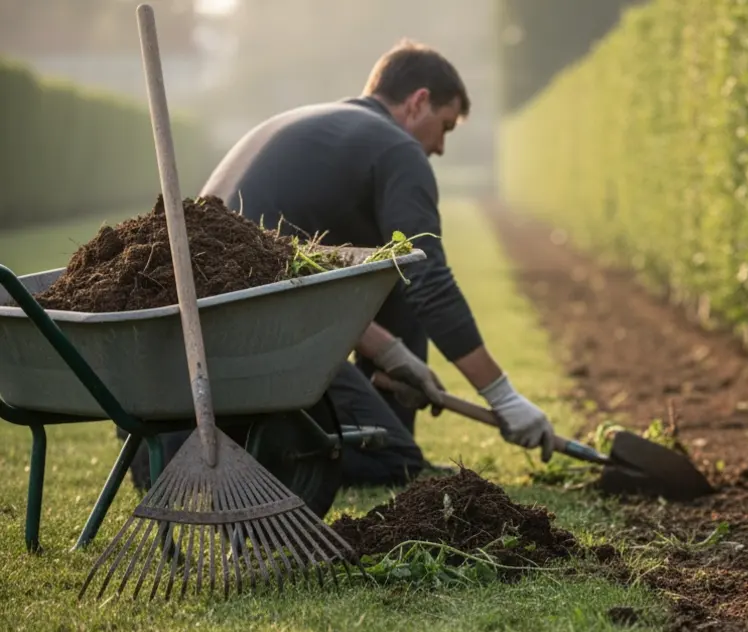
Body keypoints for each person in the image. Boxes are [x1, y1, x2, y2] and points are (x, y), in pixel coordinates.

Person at [130, 39, 556, 491]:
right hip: (254, 338)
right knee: (393, 457)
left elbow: (290, 279)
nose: (441, 147)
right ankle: (212, 451)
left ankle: (187, 439)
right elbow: (429, 282)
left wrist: (391, 354)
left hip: (194, 334)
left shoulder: (309, 125)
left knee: (390, 275)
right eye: (445, 126)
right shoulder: (397, 149)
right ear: (418, 102)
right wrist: (503, 397)